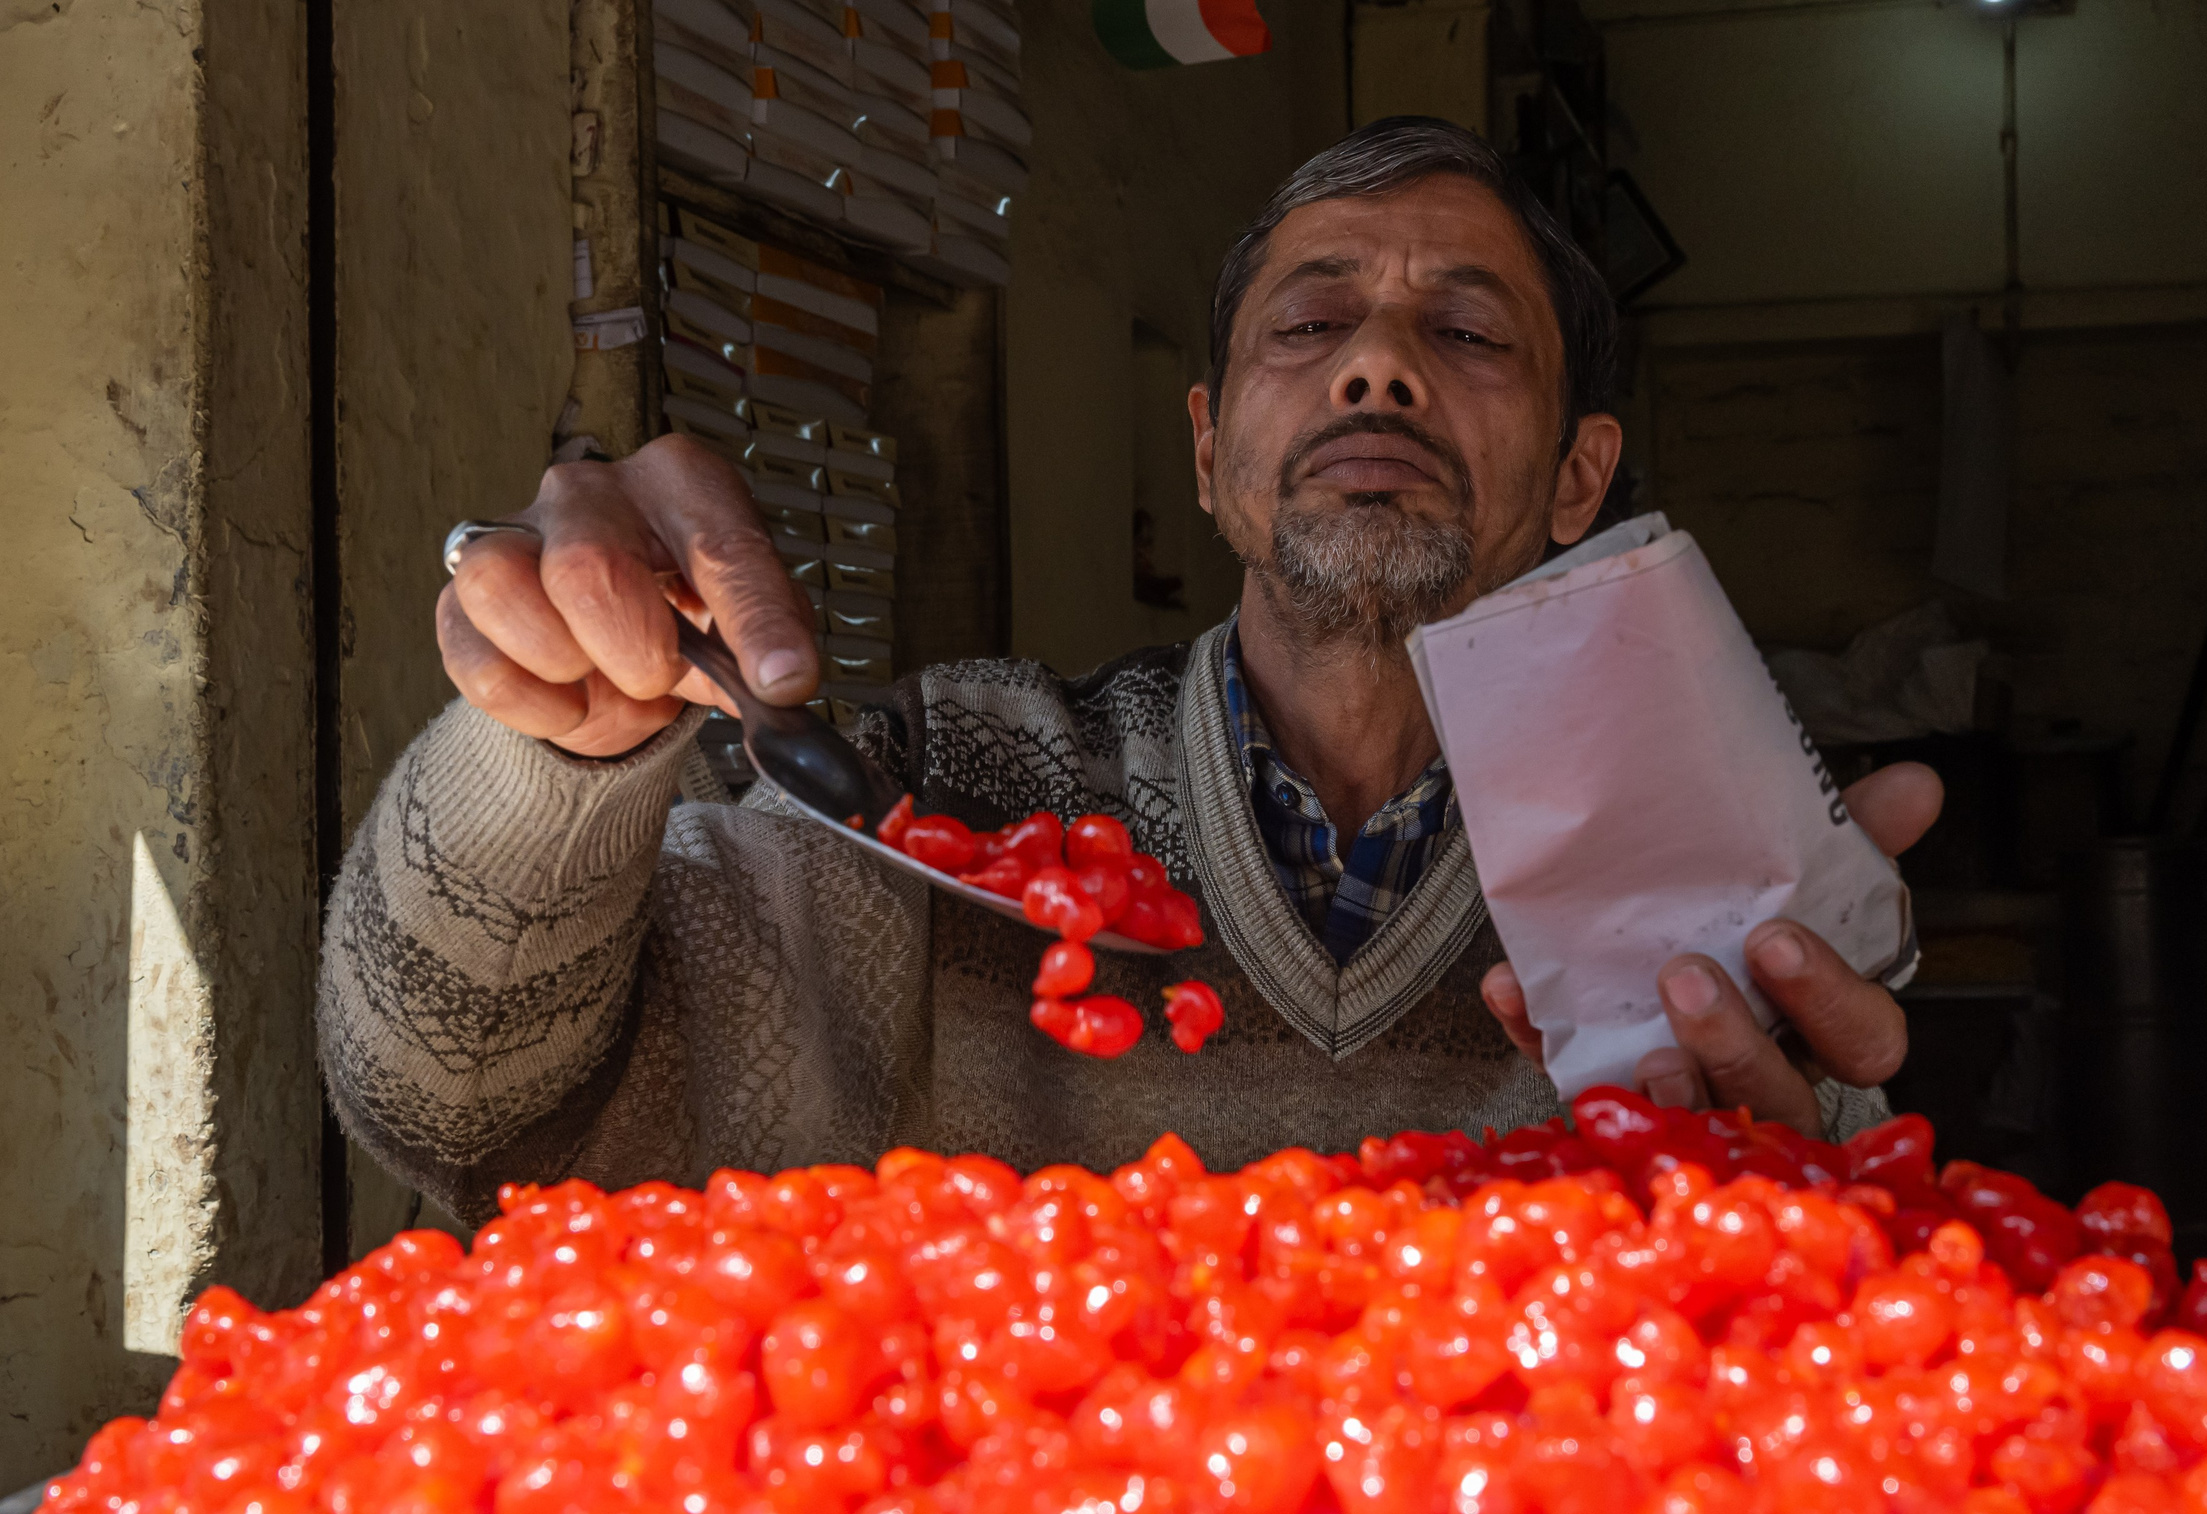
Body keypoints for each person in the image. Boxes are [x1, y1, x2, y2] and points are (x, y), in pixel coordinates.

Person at [319, 117, 1939, 1218]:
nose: (1378, 362)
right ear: (1215, 456)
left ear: (1582, 479)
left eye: (1470, 333)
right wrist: (554, 756)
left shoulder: (1687, 875)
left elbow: (1815, 1271)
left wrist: (1792, 1175)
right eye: (1311, 331)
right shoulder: (935, 798)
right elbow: (446, 1102)